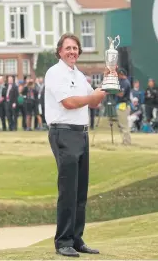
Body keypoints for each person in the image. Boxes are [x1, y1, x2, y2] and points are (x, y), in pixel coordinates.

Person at [45, 33, 106, 257]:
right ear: (60, 51)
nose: (72, 51)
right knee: (68, 189)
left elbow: (94, 100)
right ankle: (63, 241)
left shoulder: (78, 75)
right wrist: (92, 98)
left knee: (80, 190)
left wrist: (108, 82)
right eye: (68, 48)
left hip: (81, 133)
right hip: (63, 132)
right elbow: (69, 102)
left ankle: (76, 238)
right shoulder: (55, 72)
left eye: (75, 48)